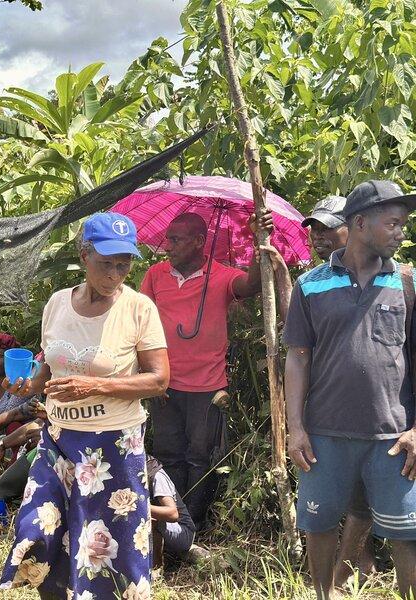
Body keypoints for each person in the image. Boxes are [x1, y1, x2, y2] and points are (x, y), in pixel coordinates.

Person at [0, 212, 169, 598]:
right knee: (42, 533)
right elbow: (48, 364)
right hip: (58, 441)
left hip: (113, 448)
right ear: (83, 254)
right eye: (105, 262)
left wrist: (96, 385)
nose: (114, 273)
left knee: (111, 552)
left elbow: (159, 380)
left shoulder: (138, 309)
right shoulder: (58, 303)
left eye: (123, 264)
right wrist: (28, 386)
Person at [284, 180, 416, 600]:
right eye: (393, 223)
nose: (401, 232)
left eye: (403, 224)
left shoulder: (409, 284)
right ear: (359, 223)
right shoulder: (311, 285)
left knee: (405, 535)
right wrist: (296, 429)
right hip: (324, 435)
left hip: (393, 438)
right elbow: (298, 357)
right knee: (319, 526)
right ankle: (324, 595)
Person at [140, 210, 282, 529]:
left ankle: (193, 527)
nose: (168, 246)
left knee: (200, 458)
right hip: (163, 384)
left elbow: (251, 285)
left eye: (176, 240)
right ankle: (171, 525)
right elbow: (140, 323)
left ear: (199, 242)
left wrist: (260, 243)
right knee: (167, 453)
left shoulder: (222, 276)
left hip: (207, 387)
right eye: (168, 239)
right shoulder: (156, 275)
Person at [302, 195, 376, 585]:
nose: (318, 236)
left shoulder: (394, 278)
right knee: (341, 496)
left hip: (380, 413)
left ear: (357, 226)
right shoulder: (313, 282)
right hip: (328, 409)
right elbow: (297, 345)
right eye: (314, 229)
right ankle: (352, 568)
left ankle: (345, 573)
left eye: (328, 227)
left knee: (364, 497)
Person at [146, 455, 196, 564]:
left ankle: (156, 569)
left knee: (149, 521)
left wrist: (140, 507)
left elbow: (172, 514)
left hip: (183, 532)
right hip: (166, 530)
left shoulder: (156, 475)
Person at [303, 195, 349, 262]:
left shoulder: (368, 270)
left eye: (326, 228)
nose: (317, 236)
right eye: (314, 228)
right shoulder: (317, 272)